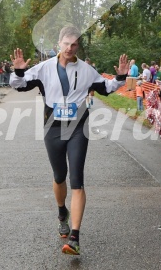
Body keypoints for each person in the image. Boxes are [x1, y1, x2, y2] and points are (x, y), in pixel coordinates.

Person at [10, 25, 129, 256]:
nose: (69, 48)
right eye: (66, 43)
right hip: (52, 127)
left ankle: (74, 237)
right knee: (59, 176)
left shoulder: (86, 69)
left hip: (78, 128)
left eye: (74, 44)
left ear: (78, 46)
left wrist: (121, 76)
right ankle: (61, 211)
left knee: (77, 179)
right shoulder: (44, 68)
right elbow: (19, 86)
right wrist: (19, 72)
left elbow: (105, 87)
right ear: (59, 43)